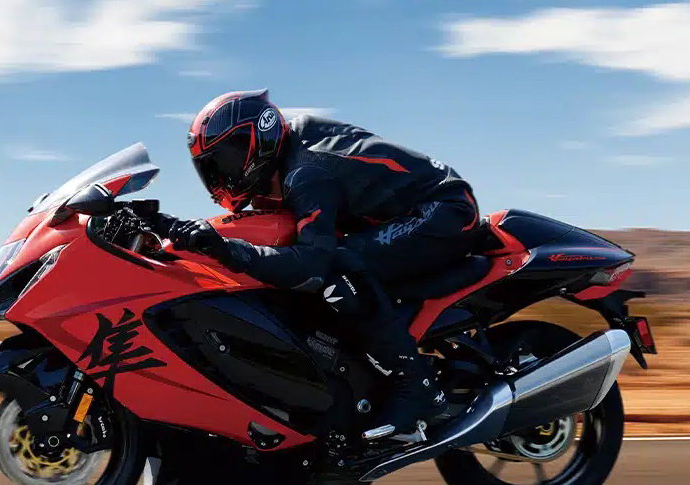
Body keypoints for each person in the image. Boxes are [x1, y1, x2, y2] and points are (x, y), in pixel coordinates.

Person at [148, 89, 483, 443]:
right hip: (406, 213)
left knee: (339, 267)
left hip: (445, 211)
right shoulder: (288, 157)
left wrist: (228, 251)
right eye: (212, 167)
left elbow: (312, 266)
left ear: (257, 141)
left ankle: (417, 388)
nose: (221, 175)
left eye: (227, 160)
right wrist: (169, 226)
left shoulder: (306, 173)